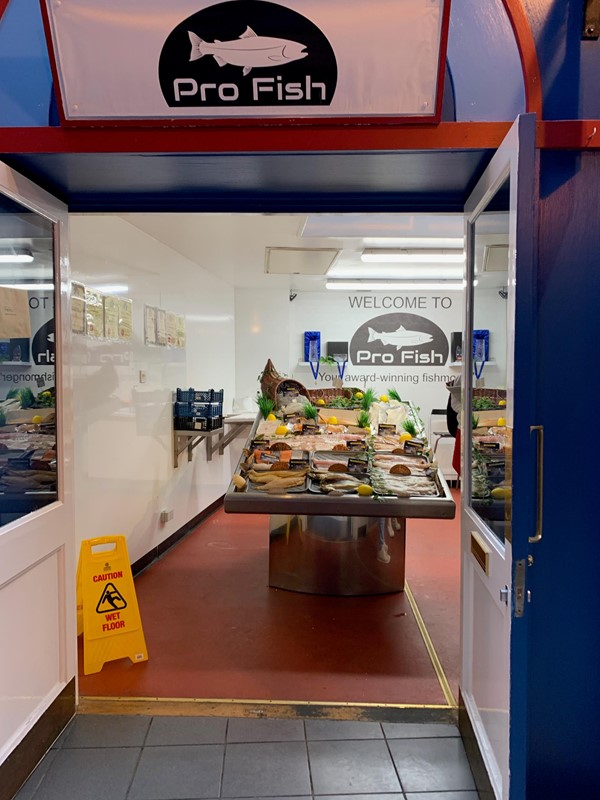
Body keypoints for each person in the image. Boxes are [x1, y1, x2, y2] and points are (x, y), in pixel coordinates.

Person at [446, 375, 461, 477]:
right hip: (462, 426)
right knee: (460, 463)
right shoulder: (462, 377)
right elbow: (454, 406)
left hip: (464, 426)